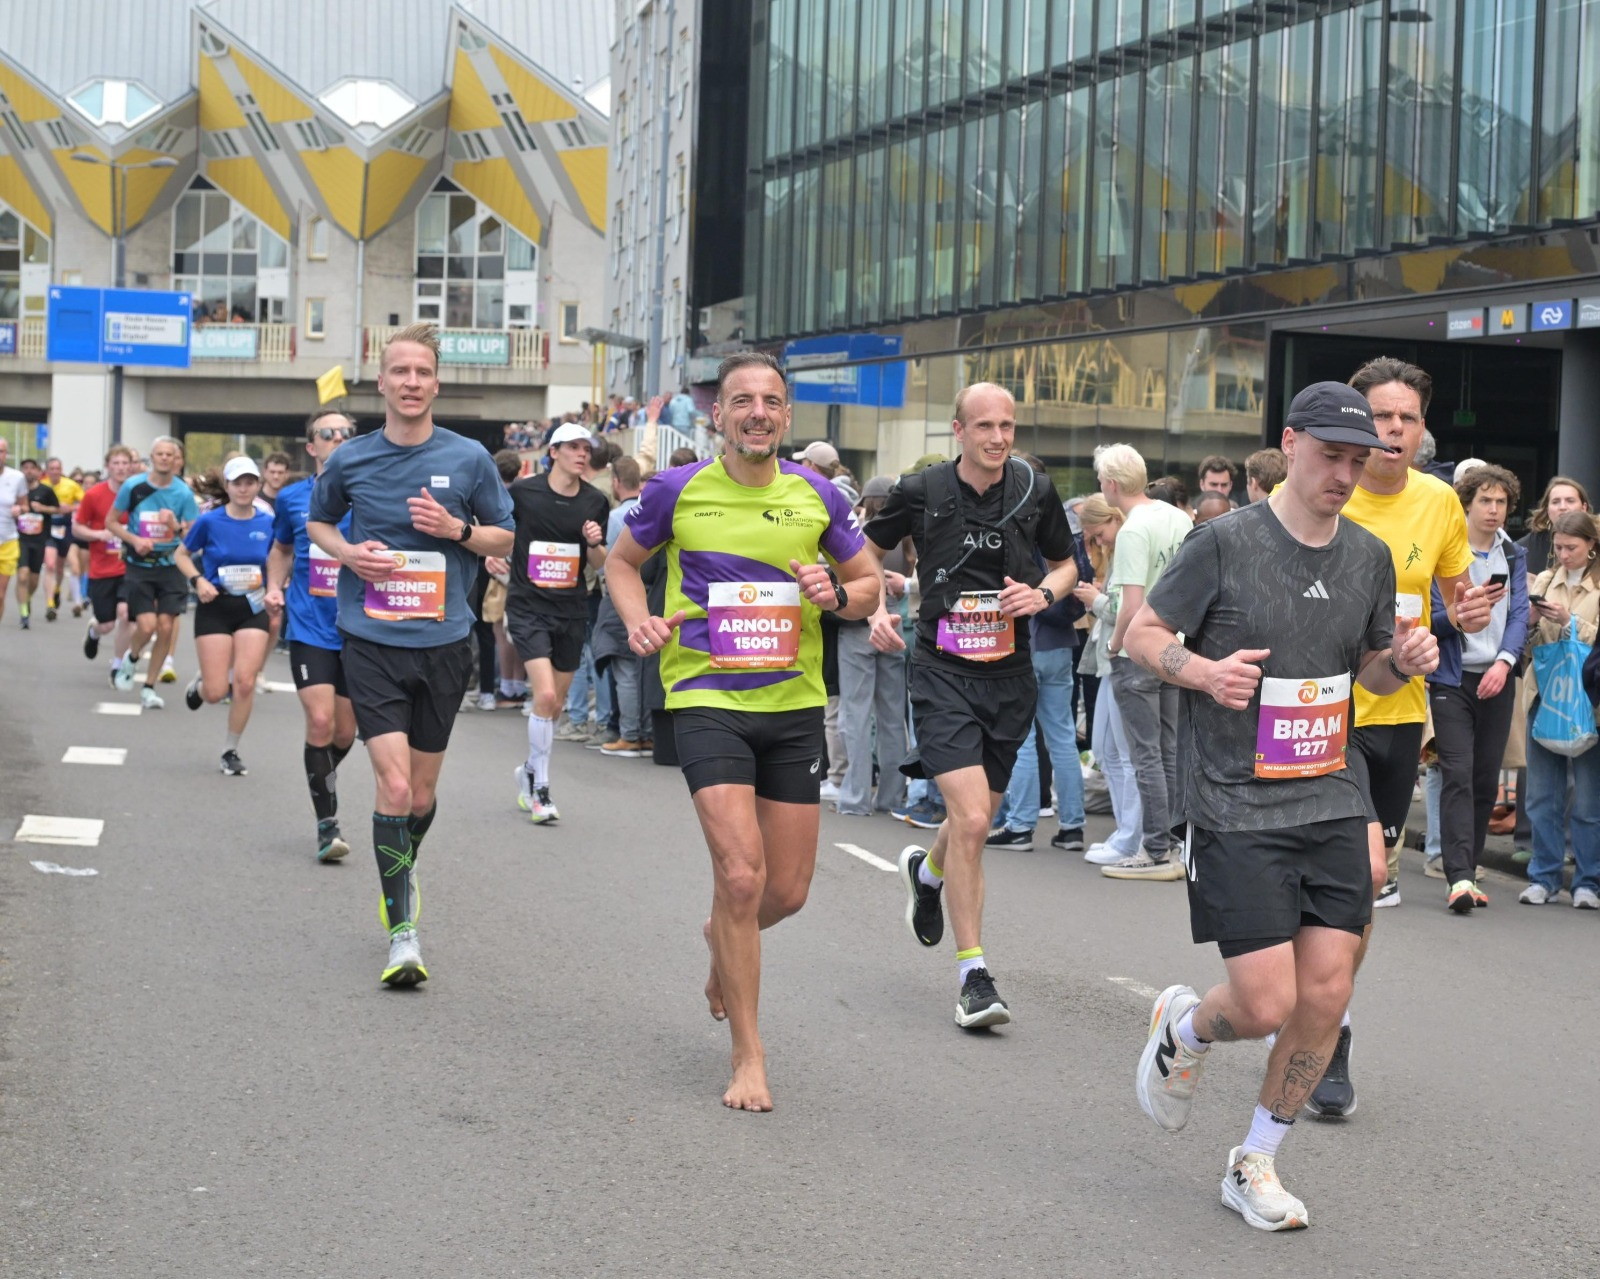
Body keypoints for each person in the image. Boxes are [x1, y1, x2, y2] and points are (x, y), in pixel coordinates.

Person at [1128, 381, 1437, 1232]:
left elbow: (1370, 673)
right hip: (1233, 801)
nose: (1344, 473)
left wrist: (1402, 659)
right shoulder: (1222, 543)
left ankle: (1255, 1159)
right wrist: (1204, 672)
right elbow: (1143, 635)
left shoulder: (1370, 556)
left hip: (1331, 793)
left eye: (1358, 459)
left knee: (1326, 996)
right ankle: (1186, 1024)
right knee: (1263, 1004)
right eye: (1330, 455)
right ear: (1291, 445)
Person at [605, 351, 880, 1112]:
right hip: (705, 695)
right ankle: (749, 1056)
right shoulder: (674, 489)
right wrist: (639, 620)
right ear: (718, 414)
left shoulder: (817, 494)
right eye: (741, 400)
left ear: (786, 416)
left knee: (784, 892)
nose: (757, 412)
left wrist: (837, 594)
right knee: (741, 876)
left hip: (792, 707)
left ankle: (724, 938)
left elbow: (869, 587)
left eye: (770, 401)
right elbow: (622, 563)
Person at [305, 323, 515, 986]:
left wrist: (455, 529)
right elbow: (318, 522)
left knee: (420, 797)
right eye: (401, 371)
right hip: (370, 640)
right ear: (383, 381)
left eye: (422, 372)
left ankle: (398, 864)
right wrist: (347, 553)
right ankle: (403, 930)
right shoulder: (351, 459)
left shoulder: (471, 458)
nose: (412, 382)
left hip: (446, 643)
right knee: (392, 785)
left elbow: (504, 536)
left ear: (436, 382)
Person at [866, 382, 1078, 1029]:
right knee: (973, 820)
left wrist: (1042, 594)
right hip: (941, 672)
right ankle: (973, 978)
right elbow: (862, 553)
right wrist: (875, 605)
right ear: (957, 430)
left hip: (1008, 676)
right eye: (984, 425)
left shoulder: (1033, 491)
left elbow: (1068, 565)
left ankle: (927, 876)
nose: (998, 437)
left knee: (975, 816)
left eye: (1007, 425)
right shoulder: (922, 490)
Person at [1316, 356, 1488, 1118]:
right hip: (1320, 712)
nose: (1392, 431)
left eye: (1406, 419)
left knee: (1356, 890)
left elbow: (1450, 601)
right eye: (1380, 417)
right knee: (1361, 867)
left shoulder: (1440, 504)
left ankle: (1329, 1014)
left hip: (1396, 716)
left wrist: (1468, 617)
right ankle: (1326, 1026)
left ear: (1423, 431)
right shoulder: (1328, 493)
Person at [1426, 464, 1528, 911]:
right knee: (1458, 774)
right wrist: (1460, 616)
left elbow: (1521, 614)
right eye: (1485, 500)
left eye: (1501, 502)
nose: (1493, 510)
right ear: (1465, 504)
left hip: (1497, 677)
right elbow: (1429, 619)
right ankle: (1459, 877)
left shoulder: (1515, 554)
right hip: (1452, 678)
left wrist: (1505, 663)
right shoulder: (1446, 552)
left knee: (1486, 779)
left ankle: (1469, 863)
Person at [1097, 442, 1195, 879]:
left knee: (1146, 754)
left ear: (1112, 485)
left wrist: (1115, 646)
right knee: (1170, 750)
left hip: (1140, 651)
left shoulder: (1134, 529)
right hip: (1177, 644)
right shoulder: (1177, 517)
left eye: (1102, 481)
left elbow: (1130, 606)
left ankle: (1155, 849)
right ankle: (1171, 843)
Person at [265, 410, 360, 860]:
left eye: (347, 433)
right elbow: (281, 549)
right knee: (320, 722)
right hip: (310, 626)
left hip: (361, 631)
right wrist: (272, 586)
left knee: (344, 732)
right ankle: (328, 824)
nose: (339, 438)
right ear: (312, 446)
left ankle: (318, 772)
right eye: (329, 433)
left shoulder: (373, 495)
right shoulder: (292, 498)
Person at [506, 423, 611, 822]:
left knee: (556, 705)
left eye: (587, 448)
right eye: (574, 447)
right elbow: (500, 530)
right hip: (527, 605)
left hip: (571, 608)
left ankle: (528, 770)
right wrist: (494, 554)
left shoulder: (594, 501)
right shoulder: (523, 493)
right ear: (554, 451)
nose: (582, 454)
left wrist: (594, 542)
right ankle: (541, 791)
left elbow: (600, 564)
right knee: (545, 697)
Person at [173, 457, 276, 775]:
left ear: (258, 486)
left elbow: (276, 559)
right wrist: (198, 580)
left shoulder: (268, 522)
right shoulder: (210, 521)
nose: (244, 488)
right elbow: (181, 554)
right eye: (237, 483)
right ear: (228, 487)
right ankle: (201, 687)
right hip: (215, 605)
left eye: (249, 482)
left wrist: (275, 588)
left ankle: (231, 749)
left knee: (244, 683)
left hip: (251, 607)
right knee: (217, 692)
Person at [1519, 509, 1600, 907]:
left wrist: (1571, 623)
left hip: (1588, 701)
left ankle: (1588, 881)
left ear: (1591, 546)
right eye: (1558, 547)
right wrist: (1532, 619)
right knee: (1541, 795)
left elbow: (1594, 642)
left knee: (1588, 799)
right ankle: (1544, 876)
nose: (1564, 555)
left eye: (1572, 547)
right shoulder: (1547, 580)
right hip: (1544, 694)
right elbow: (1527, 643)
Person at [1072, 495, 1144, 864]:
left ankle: (1131, 837)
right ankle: (1126, 833)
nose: (1097, 541)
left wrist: (1095, 601)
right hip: (1109, 660)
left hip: (1121, 657)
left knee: (1125, 754)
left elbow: (1126, 608)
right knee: (1105, 750)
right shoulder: (1121, 546)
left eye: (1098, 533)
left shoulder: (1130, 541)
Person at [106, 437, 201, 709]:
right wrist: (134, 540)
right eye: (159, 454)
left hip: (170, 566)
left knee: (166, 626)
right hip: (139, 566)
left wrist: (175, 525)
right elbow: (110, 522)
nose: (164, 458)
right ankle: (132, 657)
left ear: (176, 459)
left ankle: (148, 687)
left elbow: (194, 536)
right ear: (152, 457)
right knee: (146, 626)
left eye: (169, 455)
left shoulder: (183, 493)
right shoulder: (133, 487)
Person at [837, 475, 910, 816]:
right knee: (893, 715)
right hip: (895, 620)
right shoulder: (903, 537)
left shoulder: (855, 535)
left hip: (857, 622)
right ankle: (892, 797)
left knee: (856, 713)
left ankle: (855, 797)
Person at [72, 445, 137, 674]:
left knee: (126, 614)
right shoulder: (94, 495)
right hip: (101, 568)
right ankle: (94, 632)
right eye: (116, 463)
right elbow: (77, 526)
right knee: (107, 623)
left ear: (131, 466)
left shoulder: (137, 494)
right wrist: (98, 534)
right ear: (108, 467)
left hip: (130, 567)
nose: (120, 468)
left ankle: (118, 666)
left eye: (124, 463)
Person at [1517, 476, 1590, 583]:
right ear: (1547, 509)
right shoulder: (1523, 548)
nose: (1563, 507)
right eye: (1556, 502)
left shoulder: (1595, 539)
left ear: (1584, 508)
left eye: (1570, 501)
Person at [41, 457, 84, 620]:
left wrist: (71, 507)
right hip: (48, 527)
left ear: (61, 470)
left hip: (65, 528)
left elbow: (85, 503)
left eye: (57, 468)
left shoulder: (71, 485)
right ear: (47, 471)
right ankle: (50, 603)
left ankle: (57, 589)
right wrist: (52, 509)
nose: (55, 471)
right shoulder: (43, 485)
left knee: (60, 567)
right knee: (50, 565)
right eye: (51, 468)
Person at [0, 438, 30, 627]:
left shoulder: (17, 477)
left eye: (2, 451)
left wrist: (20, 510)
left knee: (0, 595)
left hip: (7, 541)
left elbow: (25, 505)